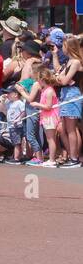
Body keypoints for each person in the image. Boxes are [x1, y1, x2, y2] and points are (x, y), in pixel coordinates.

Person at [53, 36, 81, 167]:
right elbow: (58, 77)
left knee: (71, 129)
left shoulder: (75, 62)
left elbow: (62, 80)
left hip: (72, 95)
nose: (62, 49)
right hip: (65, 94)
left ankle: (74, 158)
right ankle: (72, 155)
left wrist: (60, 77)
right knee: (64, 128)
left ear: (69, 47)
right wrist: (60, 76)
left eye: (64, 46)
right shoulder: (69, 61)